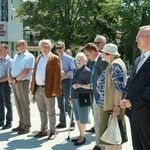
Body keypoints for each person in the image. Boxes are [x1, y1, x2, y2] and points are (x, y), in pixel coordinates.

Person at [121, 25, 150, 150]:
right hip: (133, 113)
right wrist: (124, 98)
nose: (136, 39)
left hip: (146, 115)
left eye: (139, 36)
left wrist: (132, 101)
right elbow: (130, 82)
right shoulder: (138, 59)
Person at [97, 43, 127, 150]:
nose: (101, 55)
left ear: (108, 54)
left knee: (110, 137)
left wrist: (116, 106)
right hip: (110, 105)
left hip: (110, 106)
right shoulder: (115, 63)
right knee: (115, 135)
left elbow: (120, 87)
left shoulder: (115, 64)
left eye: (103, 53)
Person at [30, 39, 62, 140]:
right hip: (38, 88)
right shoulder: (37, 58)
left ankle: (53, 131)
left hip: (48, 89)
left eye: (47, 46)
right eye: (43, 46)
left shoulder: (55, 58)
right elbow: (34, 73)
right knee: (42, 111)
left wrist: (55, 90)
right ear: (40, 47)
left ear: (50, 47)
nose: (45, 47)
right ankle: (43, 129)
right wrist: (32, 88)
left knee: (51, 111)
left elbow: (58, 76)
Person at [83, 42, 108, 150]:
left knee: (101, 122)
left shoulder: (102, 61)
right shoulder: (93, 62)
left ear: (93, 52)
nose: (87, 58)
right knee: (97, 122)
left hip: (101, 97)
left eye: (87, 55)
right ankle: (98, 144)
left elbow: (107, 81)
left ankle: (101, 146)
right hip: (95, 95)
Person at [8, 40, 35, 134]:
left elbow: (27, 71)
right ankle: (21, 124)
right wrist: (10, 78)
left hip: (23, 82)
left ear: (24, 45)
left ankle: (26, 126)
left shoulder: (30, 56)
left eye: (19, 45)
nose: (17, 47)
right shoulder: (16, 55)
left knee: (24, 104)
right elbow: (10, 68)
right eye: (17, 45)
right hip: (14, 82)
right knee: (18, 105)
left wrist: (15, 79)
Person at [69, 52, 91, 146]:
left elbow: (90, 86)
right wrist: (71, 95)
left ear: (85, 60)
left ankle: (82, 137)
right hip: (74, 96)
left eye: (80, 59)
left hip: (83, 96)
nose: (78, 61)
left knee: (82, 118)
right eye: (77, 59)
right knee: (77, 117)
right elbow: (72, 83)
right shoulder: (74, 70)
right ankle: (80, 135)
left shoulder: (87, 71)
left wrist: (79, 85)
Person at [86, 35, 107, 133]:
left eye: (98, 43)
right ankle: (96, 127)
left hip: (101, 94)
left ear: (104, 44)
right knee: (95, 112)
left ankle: (100, 142)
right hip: (91, 89)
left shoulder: (104, 59)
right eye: (95, 43)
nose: (96, 44)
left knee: (100, 116)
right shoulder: (92, 59)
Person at [56, 42, 75, 131]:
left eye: (60, 48)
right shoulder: (54, 58)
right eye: (57, 48)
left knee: (68, 103)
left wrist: (66, 73)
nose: (58, 50)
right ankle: (62, 122)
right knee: (60, 104)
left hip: (67, 82)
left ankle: (72, 123)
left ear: (64, 48)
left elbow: (74, 71)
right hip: (57, 83)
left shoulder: (68, 58)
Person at [0, 44, 12, 129]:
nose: (0, 50)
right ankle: (1, 121)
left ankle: (9, 122)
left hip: (5, 83)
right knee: (0, 103)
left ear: (6, 50)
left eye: (1, 49)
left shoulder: (10, 61)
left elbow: (8, 75)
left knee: (7, 103)